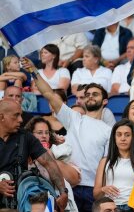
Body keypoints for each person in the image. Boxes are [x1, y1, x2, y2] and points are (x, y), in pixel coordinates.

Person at [22, 57, 111, 212]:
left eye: (95, 94)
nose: (90, 96)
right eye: (87, 94)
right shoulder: (73, 118)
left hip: (93, 190)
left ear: (105, 101)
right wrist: (34, 71)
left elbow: (108, 164)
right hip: (69, 186)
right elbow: (49, 94)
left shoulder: (109, 130)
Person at [0, 99, 68, 210]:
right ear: (2, 117)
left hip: (19, 203)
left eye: (21, 115)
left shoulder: (26, 137)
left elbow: (49, 162)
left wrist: (63, 191)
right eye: (16, 116)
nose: (21, 120)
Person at [25, 117, 79, 211]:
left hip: (58, 205)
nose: (44, 136)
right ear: (30, 135)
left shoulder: (59, 153)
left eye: (47, 133)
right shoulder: (23, 156)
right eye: (39, 132)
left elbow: (75, 178)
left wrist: (49, 158)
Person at [93, 119, 134, 212]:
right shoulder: (105, 161)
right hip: (111, 208)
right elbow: (96, 194)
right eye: (119, 134)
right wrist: (104, 189)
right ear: (114, 137)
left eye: (127, 135)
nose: (123, 138)